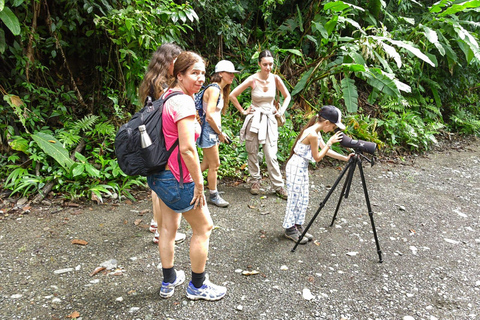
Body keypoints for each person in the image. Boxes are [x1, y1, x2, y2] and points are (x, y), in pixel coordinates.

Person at [147, 51, 227, 301]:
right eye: (194, 73)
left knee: (168, 228)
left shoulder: (167, 96)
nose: (200, 78)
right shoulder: (183, 103)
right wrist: (199, 183)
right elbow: (186, 149)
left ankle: (168, 280)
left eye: (203, 72)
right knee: (204, 228)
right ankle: (198, 286)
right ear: (179, 74)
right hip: (178, 179)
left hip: (160, 176)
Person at [282, 106, 354, 243]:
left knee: (303, 198)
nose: (332, 130)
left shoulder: (316, 131)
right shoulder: (312, 134)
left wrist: (345, 158)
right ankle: (289, 229)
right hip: (296, 166)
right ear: (326, 122)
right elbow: (317, 157)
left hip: (301, 166)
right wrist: (329, 143)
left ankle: (297, 225)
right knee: (295, 198)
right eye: (333, 127)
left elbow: (325, 151)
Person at [138, 43, 186, 245]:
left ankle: (155, 223)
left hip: (150, 135)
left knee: (156, 182)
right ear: (168, 61)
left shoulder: (150, 80)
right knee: (164, 181)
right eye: (177, 61)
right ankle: (162, 230)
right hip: (162, 138)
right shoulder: (164, 85)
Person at [229, 50, 291, 199]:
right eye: (265, 64)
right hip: (254, 118)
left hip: (269, 119)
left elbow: (287, 96)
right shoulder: (252, 79)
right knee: (252, 151)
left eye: (270, 64)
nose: (268, 67)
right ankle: (255, 181)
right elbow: (232, 95)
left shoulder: (275, 79)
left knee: (271, 154)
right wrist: (243, 111)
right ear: (259, 64)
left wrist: (281, 109)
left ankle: (278, 186)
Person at [198, 60, 240, 207]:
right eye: (230, 73)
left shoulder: (219, 90)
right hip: (210, 131)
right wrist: (220, 133)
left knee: (206, 163)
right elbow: (209, 116)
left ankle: (184, 181)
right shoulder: (215, 90)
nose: (232, 76)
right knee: (215, 165)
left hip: (211, 131)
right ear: (220, 74)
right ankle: (213, 195)